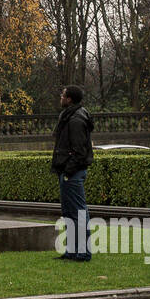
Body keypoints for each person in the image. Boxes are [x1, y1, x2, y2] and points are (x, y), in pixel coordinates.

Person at [51, 84, 95, 261]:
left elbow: (79, 151)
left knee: (78, 212)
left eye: (63, 95)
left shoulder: (76, 119)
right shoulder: (70, 116)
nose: (60, 97)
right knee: (69, 213)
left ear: (69, 99)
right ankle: (72, 251)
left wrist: (68, 171)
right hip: (67, 170)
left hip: (72, 172)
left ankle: (82, 252)